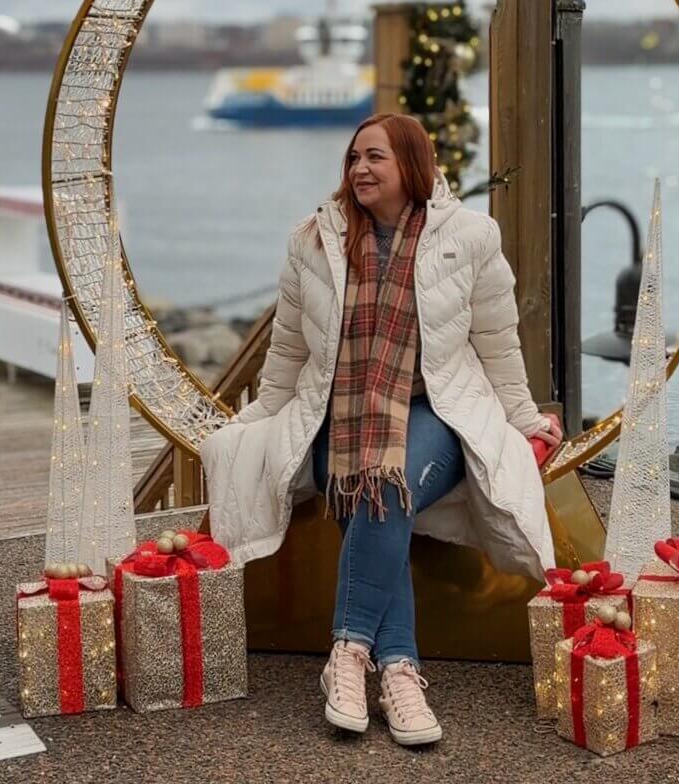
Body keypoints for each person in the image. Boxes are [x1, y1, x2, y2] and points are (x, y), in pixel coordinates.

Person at [200, 113, 563, 746]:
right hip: (334, 413)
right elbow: (286, 349)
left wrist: (525, 419)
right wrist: (260, 418)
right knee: (369, 487)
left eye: (375, 158)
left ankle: (347, 652)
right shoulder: (311, 240)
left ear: (411, 166)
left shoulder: (471, 237)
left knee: (384, 483)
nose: (359, 170)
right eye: (353, 158)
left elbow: (498, 345)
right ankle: (398, 669)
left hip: (437, 410)